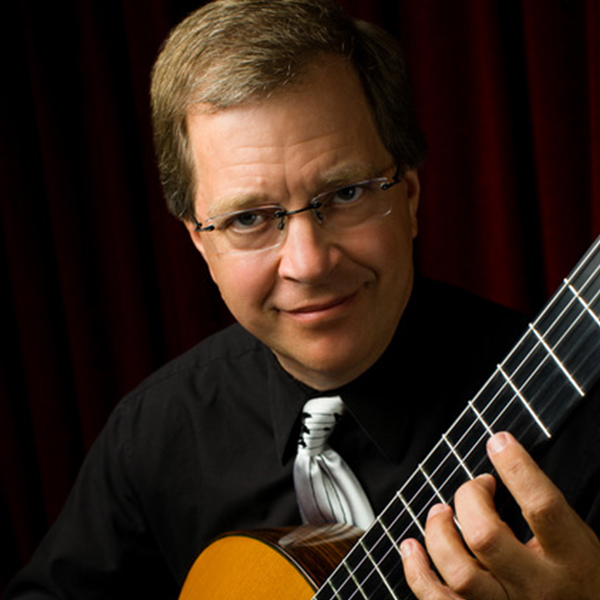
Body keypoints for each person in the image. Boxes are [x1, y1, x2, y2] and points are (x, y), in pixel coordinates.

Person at [5, 0, 600, 598]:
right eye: (249, 219)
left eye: (344, 194)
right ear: (198, 244)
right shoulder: (158, 434)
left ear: (411, 196)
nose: (308, 263)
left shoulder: (584, 414)